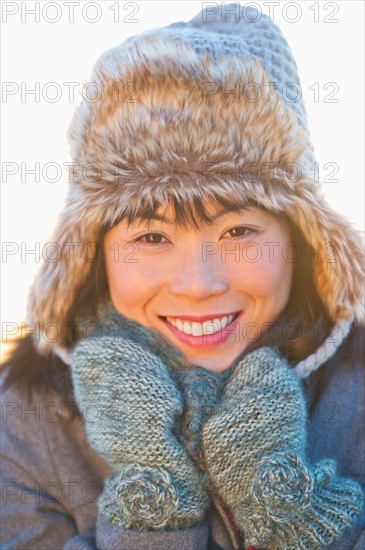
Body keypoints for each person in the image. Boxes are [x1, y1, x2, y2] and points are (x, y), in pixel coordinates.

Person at [1, 4, 364, 550]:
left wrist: (291, 516)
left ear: (301, 239)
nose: (198, 284)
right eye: (151, 237)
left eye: (240, 232)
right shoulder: (25, 417)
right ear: (95, 255)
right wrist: (154, 504)